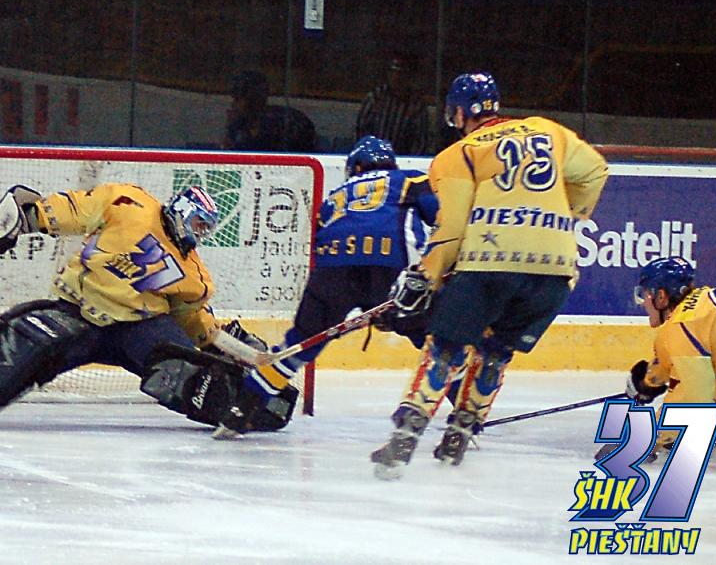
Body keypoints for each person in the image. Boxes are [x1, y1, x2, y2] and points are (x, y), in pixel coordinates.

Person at [370, 71, 609, 478]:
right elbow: (596, 172)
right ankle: (460, 433)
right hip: (555, 271)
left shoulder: (458, 154)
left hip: (489, 266)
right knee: (496, 352)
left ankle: (406, 436)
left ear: (460, 113)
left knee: (446, 349)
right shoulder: (548, 130)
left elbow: (452, 229)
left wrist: (427, 275)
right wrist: (565, 214)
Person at [0, 182, 299, 430]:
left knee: (184, 372)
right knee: (32, 338)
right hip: (79, 313)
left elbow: (192, 319)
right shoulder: (131, 203)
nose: (200, 232)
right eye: (198, 223)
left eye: (207, 228)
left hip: (140, 328)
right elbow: (77, 208)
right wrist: (28, 217)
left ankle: (251, 403)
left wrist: (233, 349)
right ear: (182, 210)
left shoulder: (194, 274)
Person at [212, 135, 440, 439]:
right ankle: (464, 416)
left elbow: (322, 240)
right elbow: (442, 218)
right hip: (391, 265)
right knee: (438, 338)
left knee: (299, 344)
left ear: (355, 167)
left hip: (332, 271)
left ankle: (240, 411)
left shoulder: (334, 196)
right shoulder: (411, 179)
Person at [610, 256, 716, 457]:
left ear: (661, 296)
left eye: (644, 295)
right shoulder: (709, 300)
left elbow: (696, 397)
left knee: (711, 396)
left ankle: (715, 423)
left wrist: (648, 439)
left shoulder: (683, 324)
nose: (643, 303)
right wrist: (649, 382)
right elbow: (683, 351)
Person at [355, 55, 443, 156]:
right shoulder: (375, 98)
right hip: (372, 158)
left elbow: (420, 141)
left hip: (401, 160)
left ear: (409, 76)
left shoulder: (416, 105)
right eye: (393, 71)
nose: (397, 77)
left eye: (402, 73)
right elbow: (361, 129)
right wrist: (366, 154)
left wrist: (408, 161)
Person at [223, 70, 317, 153]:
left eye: (238, 99)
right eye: (235, 99)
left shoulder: (288, 123)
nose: (233, 105)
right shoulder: (239, 125)